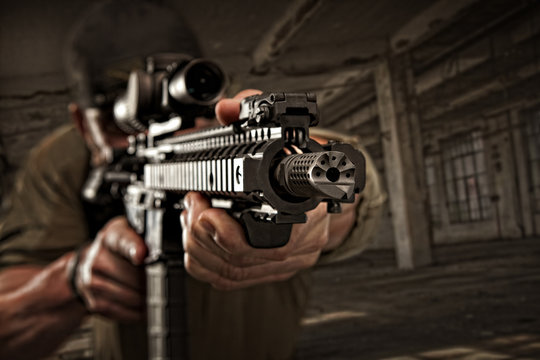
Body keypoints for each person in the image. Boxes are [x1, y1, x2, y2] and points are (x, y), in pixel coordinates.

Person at [0, 1, 386, 359]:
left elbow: (346, 186)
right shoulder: (63, 162)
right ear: (83, 123)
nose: (167, 135)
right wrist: (73, 279)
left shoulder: (235, 132)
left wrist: (314, 210)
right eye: (119, 123)